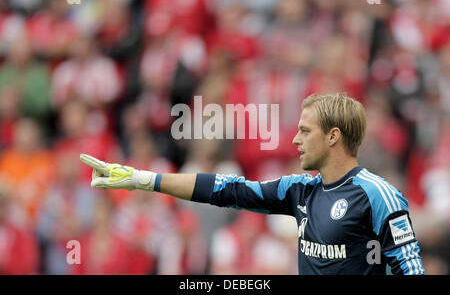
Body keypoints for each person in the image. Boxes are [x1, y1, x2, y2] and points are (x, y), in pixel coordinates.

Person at [80, 93, 425, 275]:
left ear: (334, 137)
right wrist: (143, 179)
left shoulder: (378, 195)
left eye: (306, 132)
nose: (295, 140)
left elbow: (410, 267)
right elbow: (225, 189)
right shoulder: (299, 190)